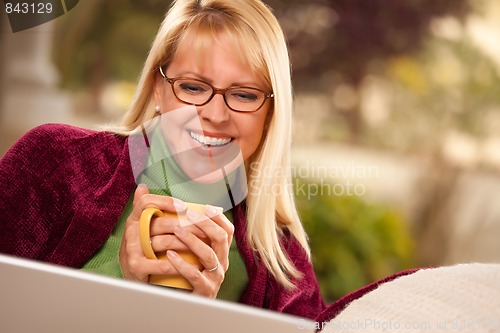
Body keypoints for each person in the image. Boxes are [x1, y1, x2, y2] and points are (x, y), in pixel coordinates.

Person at [0, 0, 326, 320]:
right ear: (159, 89)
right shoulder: (56, 163)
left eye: (244, 95)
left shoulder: (287, 269)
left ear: (270, 113)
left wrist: (199, 321)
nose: (213, 114)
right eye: (193, 87)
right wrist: (119, 285)